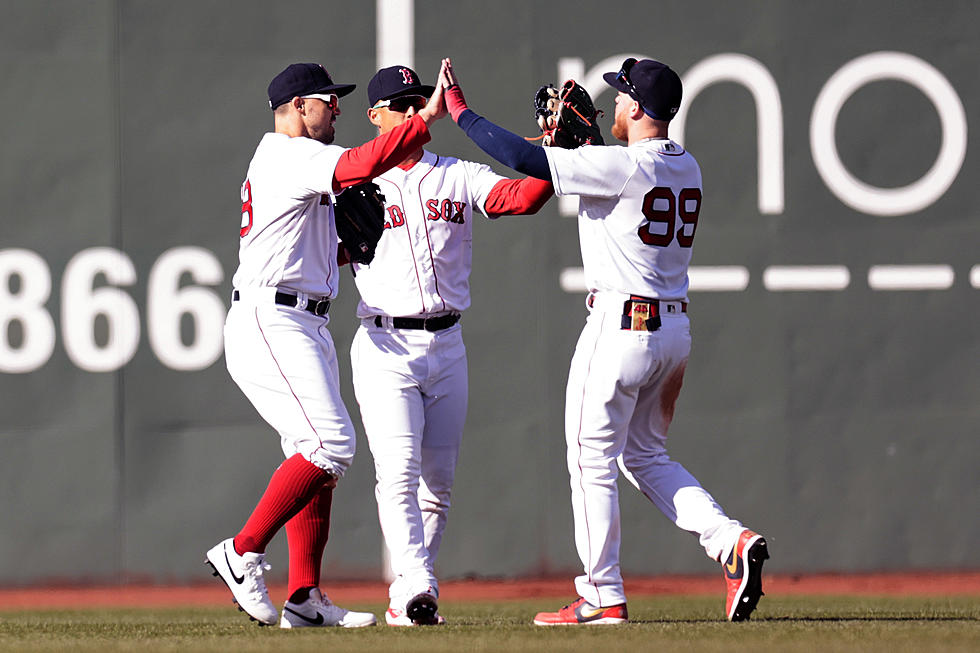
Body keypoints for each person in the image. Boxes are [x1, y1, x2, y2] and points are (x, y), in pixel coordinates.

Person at [438, 57, 769, 624]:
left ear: (639, 108)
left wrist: (461, 113)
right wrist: (581, 142)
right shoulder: (687, 165)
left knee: (590, 458)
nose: (612, 102)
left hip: (620, 328)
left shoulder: (620, 167)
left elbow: (524, 160)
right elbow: (608, 164)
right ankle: (730, 541)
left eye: (621, 97)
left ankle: (600, 593)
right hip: (672, 334)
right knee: (643, 454)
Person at [205, 62, 447, 629]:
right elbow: (364, 162)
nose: (335, 108)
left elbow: (317, 251)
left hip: (303, 317)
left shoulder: (299, 166)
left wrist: (351, 244)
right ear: (293, 107)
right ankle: (241, 553)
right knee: (330, 444)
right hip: (272, 319)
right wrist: (425, 119)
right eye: (325, 101)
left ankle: (304, 597)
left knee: (315, 457)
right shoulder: (289, 154)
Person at [347, 65, 555, 627]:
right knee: (397, 471)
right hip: (385, 343)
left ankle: (408, 599)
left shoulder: (455, 173)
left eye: (419, 101)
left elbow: (520, 198)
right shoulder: (352, 183)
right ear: (375, 117)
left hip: (447, 342)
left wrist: (560, 157)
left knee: (437, 486)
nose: (414, 111)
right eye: (401, 105)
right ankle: (417, 584)